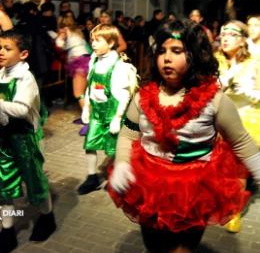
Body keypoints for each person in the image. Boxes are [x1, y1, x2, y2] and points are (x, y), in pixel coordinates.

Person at [108, 19, 260, 253]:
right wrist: (121, 163)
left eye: (176, 51)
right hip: (149, 187)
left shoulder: (215, 101)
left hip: (194, 191)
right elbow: (128, 135)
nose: (166, 58)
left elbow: (242, 142)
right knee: (154, 245)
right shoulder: (142, 98)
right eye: (161, 51)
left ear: (195, 55)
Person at [0, 29, 56, 252]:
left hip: (25, 140)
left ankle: (47, 216)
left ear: (23, 54)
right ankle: (7, 229)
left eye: (7, 48)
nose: (1, 52)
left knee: (35, 182)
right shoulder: (2, 73)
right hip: (4, 140)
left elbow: (22, 109)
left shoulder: (26, 78)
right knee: (3, 185)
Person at [77, 24, 137, 195]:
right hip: (96, 112)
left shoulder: (119, 66)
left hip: (112, 112)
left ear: (111, 43)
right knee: (90, 143)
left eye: (98, 41)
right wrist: (86, 107)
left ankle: (115, 176)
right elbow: (90, 86)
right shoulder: (94, 61)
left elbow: (125, 94)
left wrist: (118, 117)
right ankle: (91, 177)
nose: (93, 44)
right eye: (92, 40)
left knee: (115, 147)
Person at [215, 20, 260, 233]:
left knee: (238, 171)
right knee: (218, 167)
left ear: (242, 40)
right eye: (223, 34)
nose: (225, 38)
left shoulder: (255, 62)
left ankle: (234, 212)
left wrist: (250, 94)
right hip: (217, 122)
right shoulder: (215, 61)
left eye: (231, 35)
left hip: (245, 122)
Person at [55, 11, 91, 110]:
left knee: (78, 93)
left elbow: (59, 44)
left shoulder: (64, 30)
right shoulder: (77, 31)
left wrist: (58, 37)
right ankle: (87, 115)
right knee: (85, 91)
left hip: (78, 61)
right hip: (87, 59)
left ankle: (88, 118)